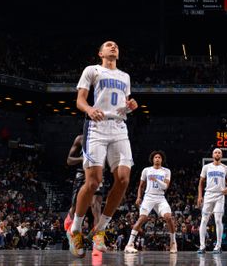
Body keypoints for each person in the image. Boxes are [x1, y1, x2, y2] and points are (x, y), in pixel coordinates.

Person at [66, 40, 138, 258]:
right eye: (108, 45)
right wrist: (89, 109)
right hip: (96, 127)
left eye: (116, 45)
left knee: (124, 178)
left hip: (119, 127)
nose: (113, 46)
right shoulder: (92, 70)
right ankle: (76, 228)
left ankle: (101, 228)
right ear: (100, 53)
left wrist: (131, 106)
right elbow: (79, 100)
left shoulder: (125, 76)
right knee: (94, 181)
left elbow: (122, 103)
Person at [124, 150, 177, 254]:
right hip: (148, 197)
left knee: (169, 217)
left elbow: (165, 186)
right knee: (142, 218)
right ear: (152, 159)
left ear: (162, 160)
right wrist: (139, 197)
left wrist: (156, 180)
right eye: (155, 157)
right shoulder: (146, 170)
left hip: (160, 197)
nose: (157, 159)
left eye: (159, 157)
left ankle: (173, 243)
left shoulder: (166, 171)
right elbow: (141, 186)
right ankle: (129, 244)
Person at [63, 134, 105, 234]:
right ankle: (74, 232)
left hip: (98, 174)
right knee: (75, 207)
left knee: (96, 206)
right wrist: (83, 159)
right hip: (82, 174)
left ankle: (98, 239)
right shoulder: (81, 138)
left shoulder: (106, 138)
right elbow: (69, 160)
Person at [197, 148, 227, 254]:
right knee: (204, 220)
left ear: (221, 155)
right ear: (212, 155)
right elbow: (201, 183)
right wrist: (199, 196)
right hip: (208, 195)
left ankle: (218, 246)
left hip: (220, 196)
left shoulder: (226, 168)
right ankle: (202, 246)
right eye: (216, 152)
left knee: (218, 220)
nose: (217, 154)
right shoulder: (206, 167)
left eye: (219, 152)